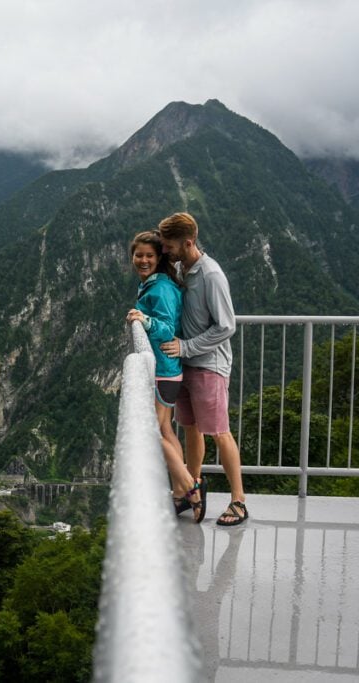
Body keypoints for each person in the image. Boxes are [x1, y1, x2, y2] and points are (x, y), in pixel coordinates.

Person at [157, 212, 248, 526]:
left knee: (220, 433)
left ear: (189, 242)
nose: (165, 250)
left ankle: (238, 501)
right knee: (191, 430)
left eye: (169, 246)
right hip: (186, 365)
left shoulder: (211, 275)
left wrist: (186, 347)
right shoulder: (184, 268)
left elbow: (226, 326)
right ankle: (190, 488)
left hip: (209, 366)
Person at [125, 230, 205, 523]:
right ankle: (180, 492)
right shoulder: (154, 285)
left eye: (149, 255)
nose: (143, 260)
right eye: (138, 255)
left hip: (162, 371)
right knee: (167, 432)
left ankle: (191, 487)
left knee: (153, 433)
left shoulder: (160, 289)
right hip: (167, 371)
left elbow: (167, 327)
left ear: (159, 258)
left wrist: (143, 319)